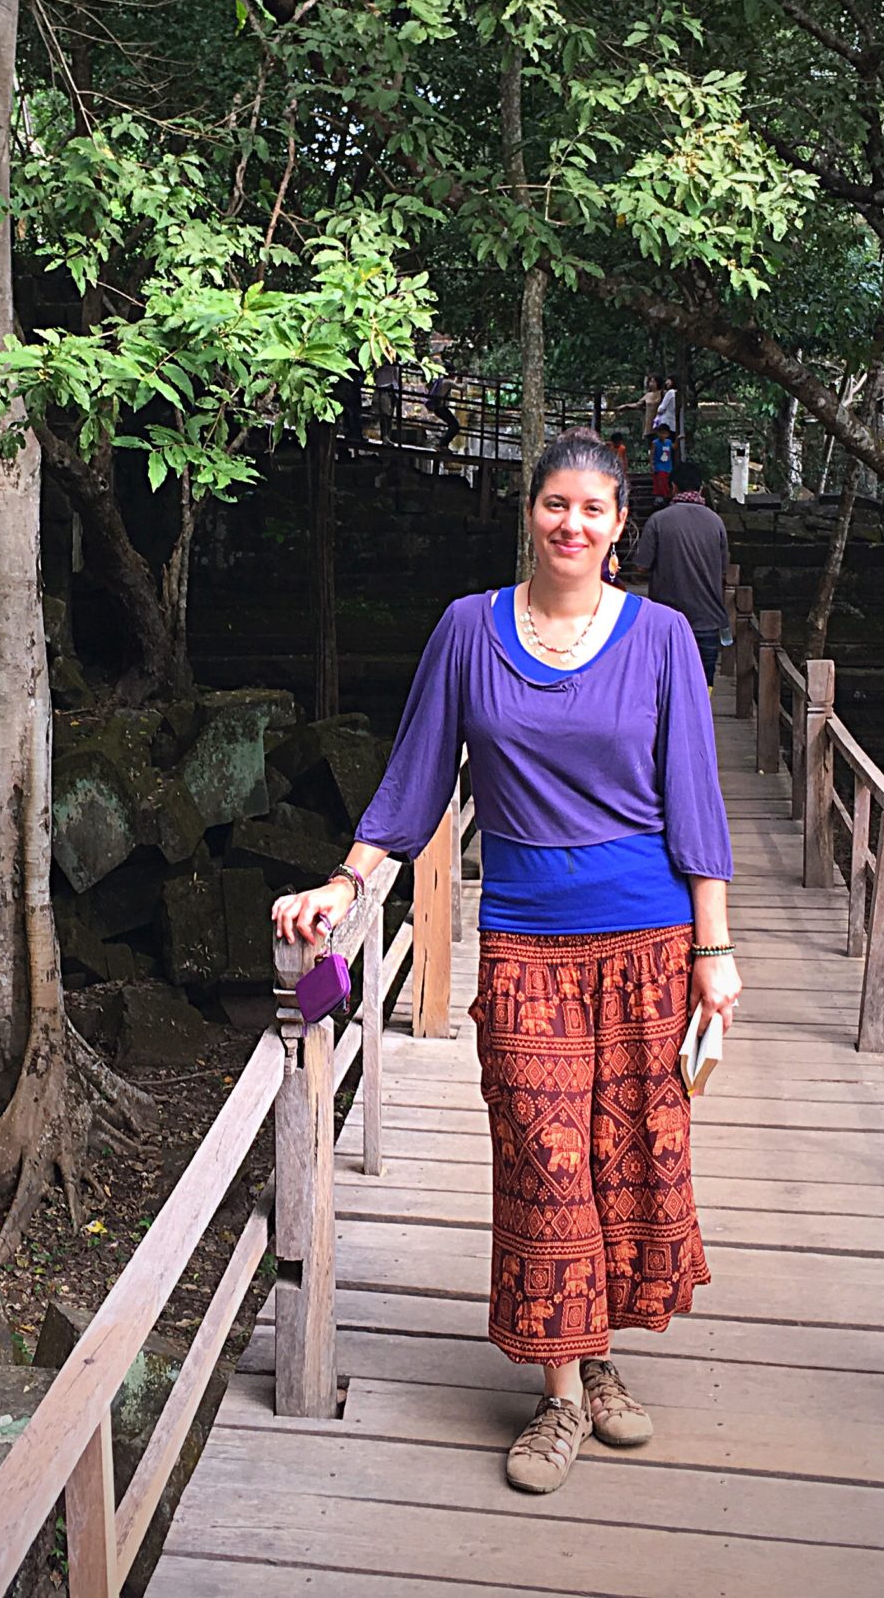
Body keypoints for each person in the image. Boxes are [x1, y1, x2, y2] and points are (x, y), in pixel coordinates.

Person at [272, 427, 739, 1496]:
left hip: (649, 941)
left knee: (625, 1163)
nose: (571, 524)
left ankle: (595, 1360)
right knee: (546, 1161)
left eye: (593, 510)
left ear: (622, 529)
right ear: (529, 513)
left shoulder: (662, 637)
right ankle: (560, 1397)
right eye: (554, 505)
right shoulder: (467, 630)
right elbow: (418, 774)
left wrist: (714, 948)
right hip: (526, 940)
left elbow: (696, 799)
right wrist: (346, 883)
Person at [624, 457, 728, 684]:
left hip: (666, 619)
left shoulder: (658, 521)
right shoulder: (716, 522)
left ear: (672, 487)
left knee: (668, 683)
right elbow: (723, 570)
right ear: (700, 488)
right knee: (704, 684)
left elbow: (641, 567)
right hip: (707, 619)